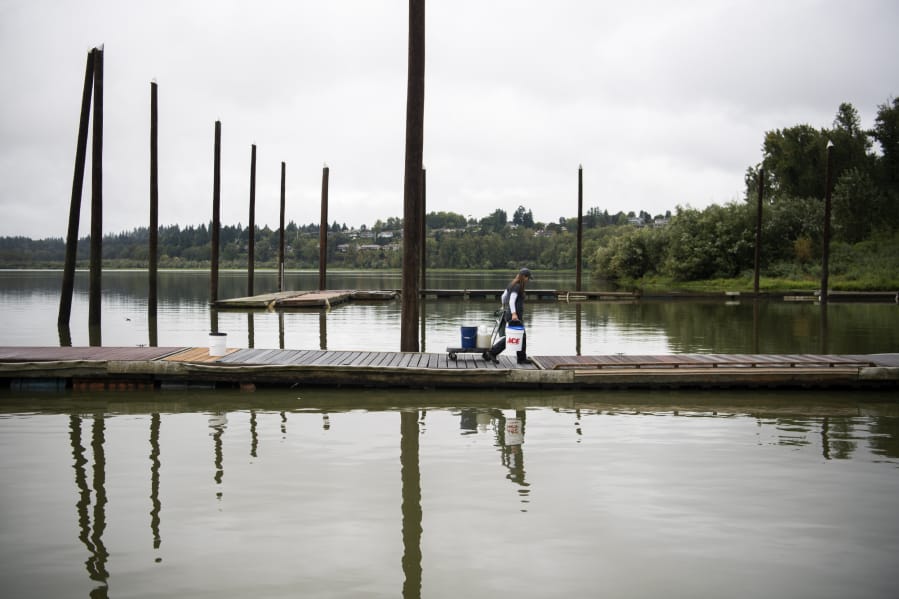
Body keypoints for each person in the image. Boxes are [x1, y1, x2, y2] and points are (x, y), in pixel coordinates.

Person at [483, 267, 532, 364]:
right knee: (515, 336)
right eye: (528, 278)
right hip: (514, 316)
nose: (528, 280)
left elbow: (503, 297)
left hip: (511, 314)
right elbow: (512, 300)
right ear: (524, 277)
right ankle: (492, 352)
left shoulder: (512, 284)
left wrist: (504, 307)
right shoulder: (517, 286)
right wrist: (513, 313)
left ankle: (521, 358)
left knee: (519, 336)